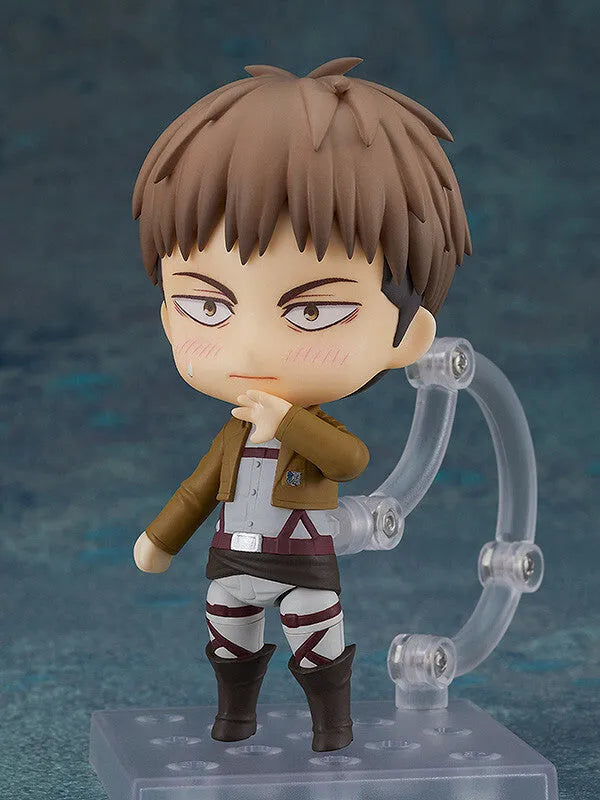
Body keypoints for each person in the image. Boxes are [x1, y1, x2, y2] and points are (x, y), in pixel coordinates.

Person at [131, 56, 471, 751]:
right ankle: (234, 718)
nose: (252, 345)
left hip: (304, 563)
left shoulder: (296, 423)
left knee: (317, 642)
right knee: (226, 632)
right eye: (206, 306)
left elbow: (350, 459)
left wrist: (285, 420)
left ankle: (332, 727)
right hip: (232, 561)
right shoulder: (235, 432)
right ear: (167, 316)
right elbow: (198, 489)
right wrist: (161, 537)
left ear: (408, 336)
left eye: (312, 313)